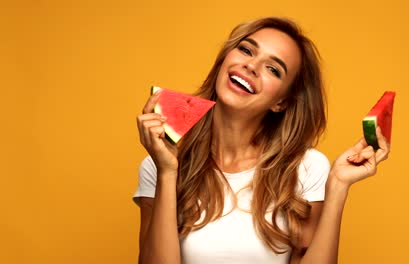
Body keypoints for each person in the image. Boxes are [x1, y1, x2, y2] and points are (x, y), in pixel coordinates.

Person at [134, 17, 390, 264]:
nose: (251, 66)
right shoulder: (158, 165)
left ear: (281, 102)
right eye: (246, 50)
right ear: (224, 61)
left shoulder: (306, 168)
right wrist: (167, 172)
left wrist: (337, 187)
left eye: (273, 69)